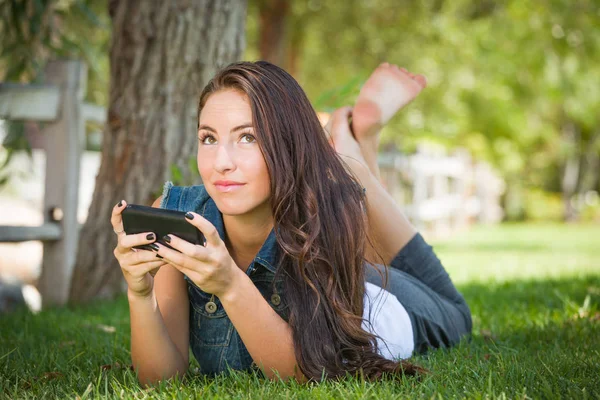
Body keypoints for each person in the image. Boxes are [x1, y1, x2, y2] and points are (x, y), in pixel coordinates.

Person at [110, 61, 472, 385]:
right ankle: (353, 147)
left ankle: (354, 152)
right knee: (344, 197)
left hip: (380, 301)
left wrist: (230, 285)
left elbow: (305, 374)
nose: (221, 162)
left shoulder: (326, 211)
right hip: (347, 267)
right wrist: (140, 294)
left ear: (288, 144)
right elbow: (160, 379)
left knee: (457, 312)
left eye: (247, 137)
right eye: (209, 138)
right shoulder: (179, 214)